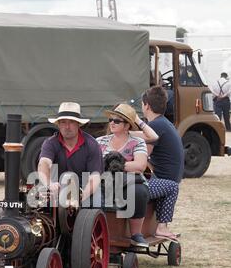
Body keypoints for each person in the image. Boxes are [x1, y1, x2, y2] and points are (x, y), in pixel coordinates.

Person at [97, 103, 159, 247]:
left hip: (129, 182)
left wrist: (112, 165)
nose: (112, 123)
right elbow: (92, 163)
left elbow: (140, 165)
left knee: (138, 192)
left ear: (127, 126)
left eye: (117, 121)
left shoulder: (136, 141)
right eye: (110, 120)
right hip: (104, 182)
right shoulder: (100, 141)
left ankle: (136, 234)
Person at [139, 86, 184, 241]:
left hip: (162, 181)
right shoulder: (164, 123)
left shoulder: (155, 126)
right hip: (169, 178)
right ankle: (160, 226)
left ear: (147, 106)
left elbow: (143, 157)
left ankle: (161, 227)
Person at [38, 102, 103, 203]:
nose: (67, 127)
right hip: (56, 187)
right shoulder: (50, 143)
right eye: (63, 122)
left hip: (83, 188)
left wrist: (81, 198)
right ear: (58, 125)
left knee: (97, 202)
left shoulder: (92, 144)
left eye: (71, 122)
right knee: (36, 204)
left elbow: (94, 177)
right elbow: (44, 163)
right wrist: (49, 184)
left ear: (78, 124)